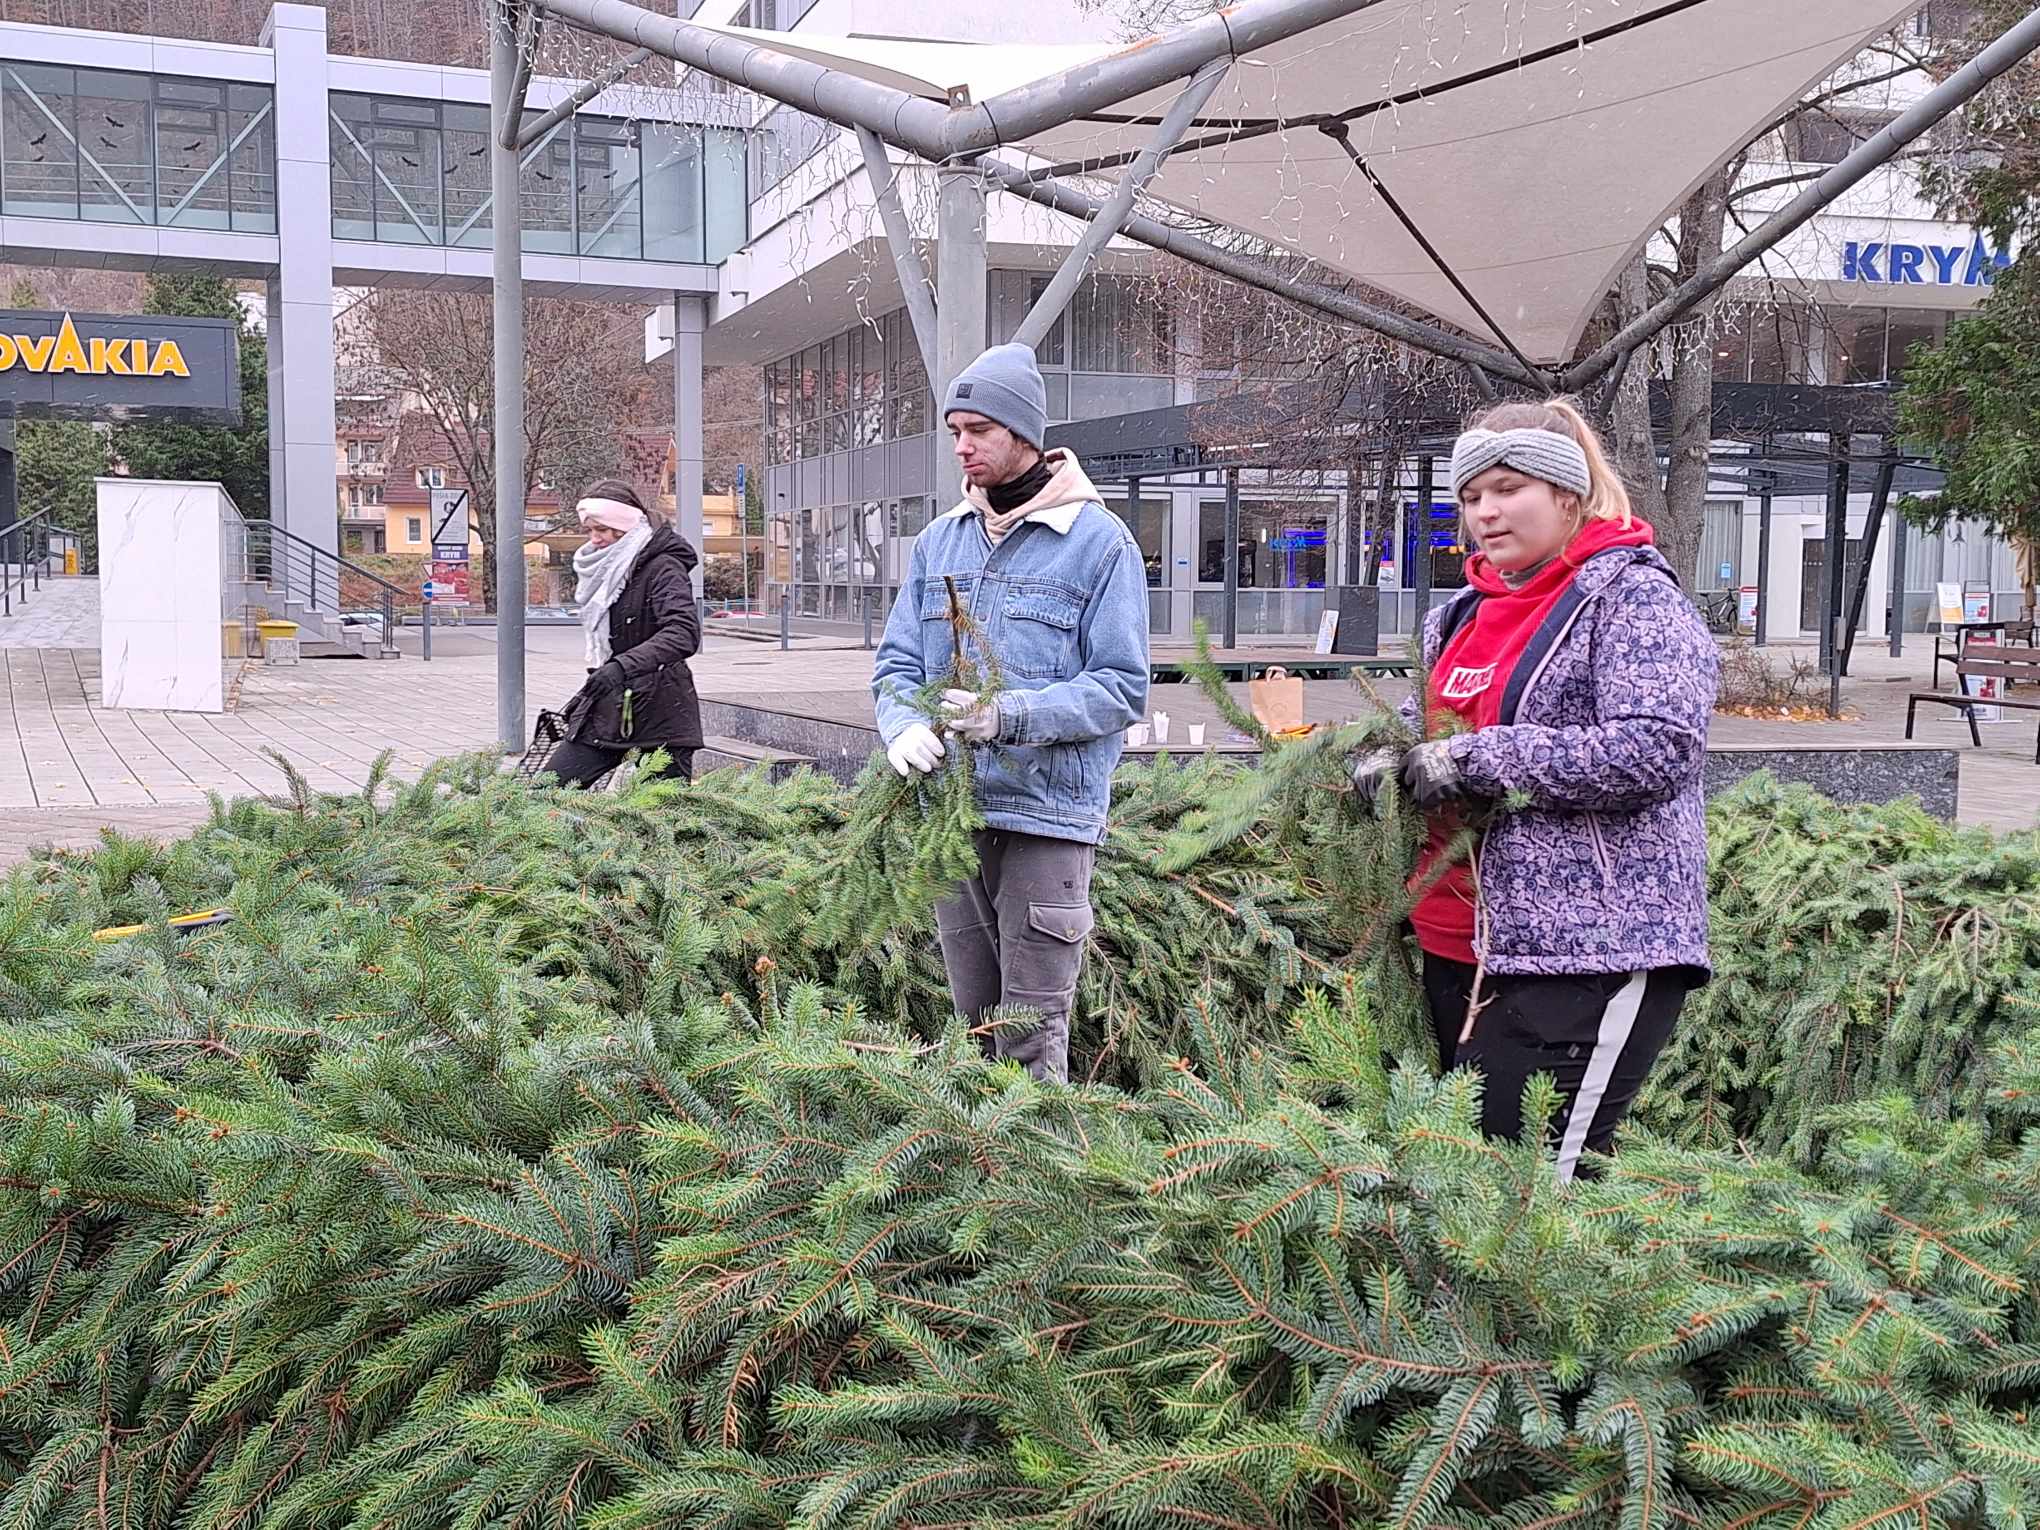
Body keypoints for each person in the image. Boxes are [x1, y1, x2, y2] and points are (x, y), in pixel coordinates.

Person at [1351, 398, 1719, 1180]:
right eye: (1472, 496)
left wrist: (1483, 760)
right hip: (1458, 942)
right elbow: (1438, 745)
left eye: (1509, 487)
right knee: (1459, 1186)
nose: (1486, 511)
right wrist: (1389, 765)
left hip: (1587, 948)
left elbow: (1659, 747)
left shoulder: (1631, 599)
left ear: (1568, 493)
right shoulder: (1456, 616)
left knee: (1525, 1197)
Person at [872, 343, 1150, 1084]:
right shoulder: (940, 542)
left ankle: (1040, 1184)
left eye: (979, 431)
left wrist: (1011, 716)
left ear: (1025, 433)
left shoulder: (1098, 544)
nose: (963, 447)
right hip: (955, 818)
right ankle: (975, 1177)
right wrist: (899, 724)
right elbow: (898, 663)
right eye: (954, 431)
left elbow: (1122, 686)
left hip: (1047, 819)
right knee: (973, 1025)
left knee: (1027, 1032)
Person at [550, 478, 703, 788]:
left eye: (603, 530)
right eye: (590, 530)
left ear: (626, 526)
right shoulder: (603, 569)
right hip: (610, 703)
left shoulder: (663, 567)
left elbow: (683, 632)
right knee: (545, 790)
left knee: (665, 816)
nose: (595, 539)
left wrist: (620, 667)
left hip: (662, 708)